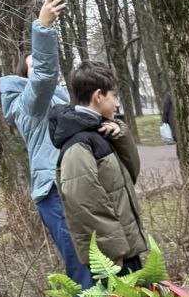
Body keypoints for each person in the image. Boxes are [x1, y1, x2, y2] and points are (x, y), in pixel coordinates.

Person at [0, 0, 92, 288]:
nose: (40, 69)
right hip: (53, 191)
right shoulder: (28, 106)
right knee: (81, 266)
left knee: (100, 260)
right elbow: (43, 78)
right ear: (25, 77)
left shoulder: (59, 102)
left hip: (76, 185)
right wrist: (43, 27)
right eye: (34, 65)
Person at [49, 61, 146, 276]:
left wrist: (121, 136)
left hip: (125, 246)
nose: (117, 103)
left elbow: (130, 176)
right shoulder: (79, 143)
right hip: (113, 257)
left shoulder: (100, 131)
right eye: (114, 96)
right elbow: (84, 204)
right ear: (99, 96)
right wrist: (113, 250)